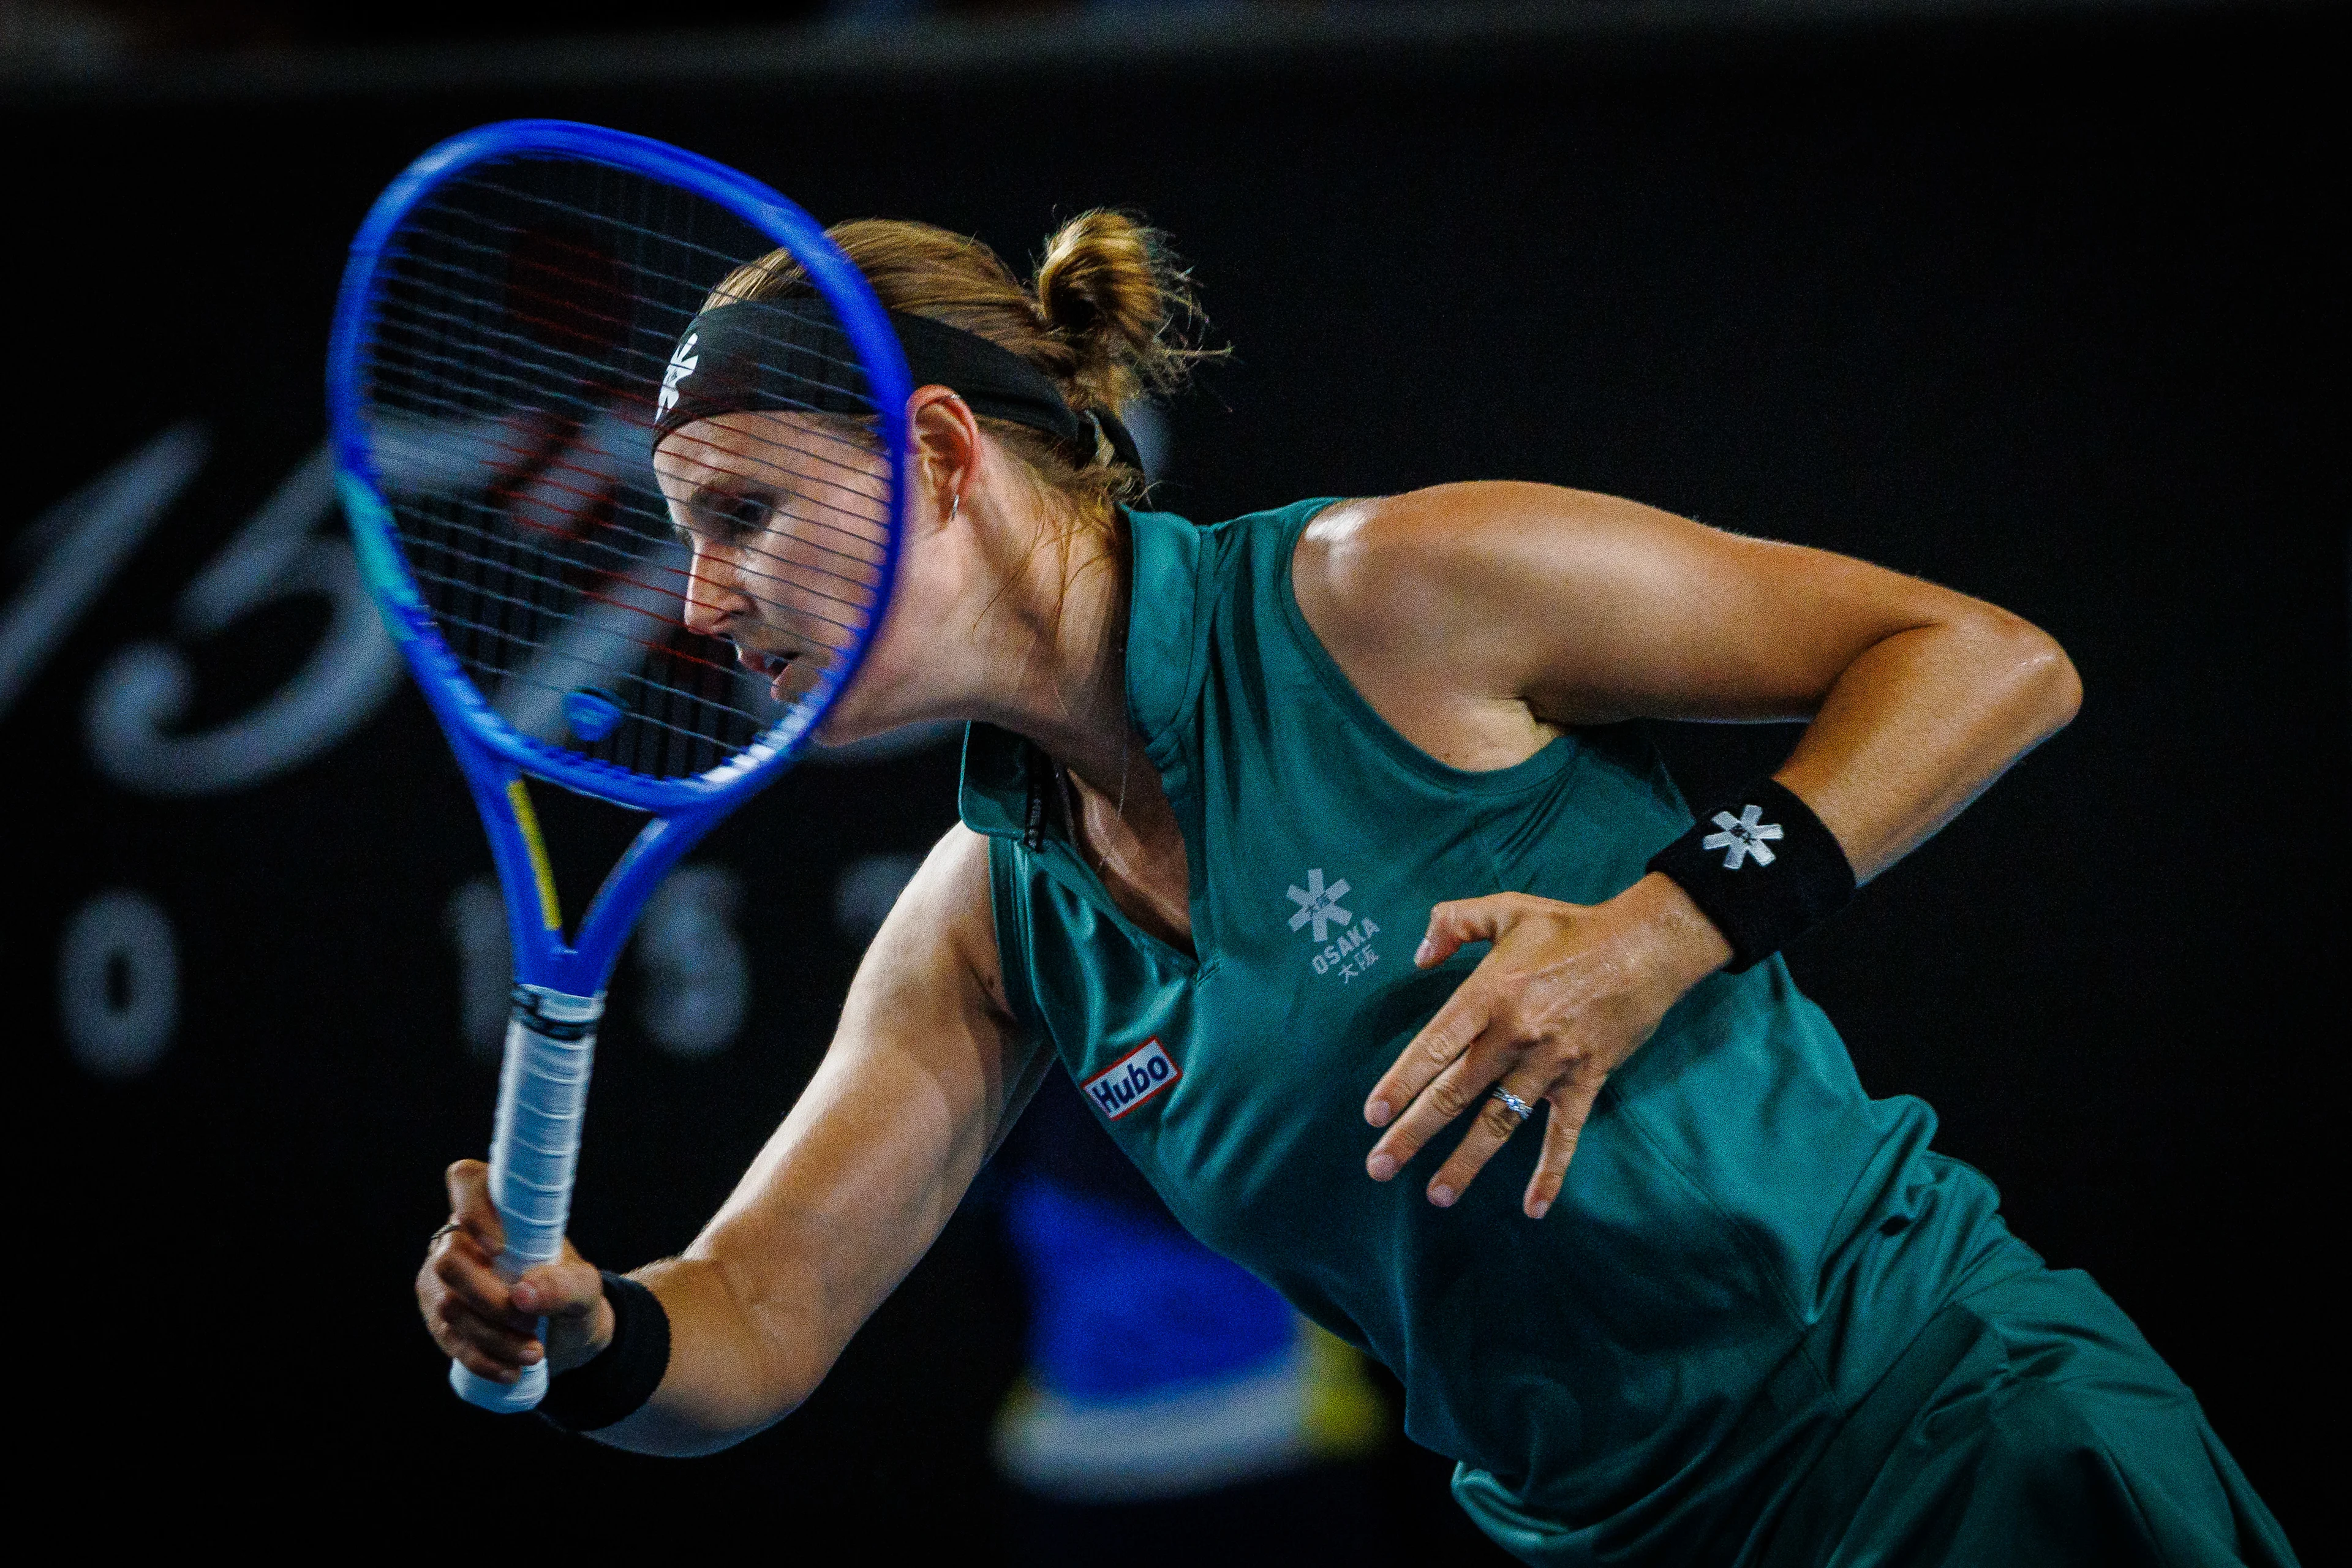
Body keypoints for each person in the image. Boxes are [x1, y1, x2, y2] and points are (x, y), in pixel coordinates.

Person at [419, 212, 2296, 1565]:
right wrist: (592, 1331)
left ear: (936, 455)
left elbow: (1983, 660)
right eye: (686, 542)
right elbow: (757, 1318)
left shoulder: (1386, 591)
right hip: (1603, 1541)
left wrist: (1663, 933)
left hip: (1938, 1435)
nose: (698, 604)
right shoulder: (989, 922)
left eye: (741, 514)